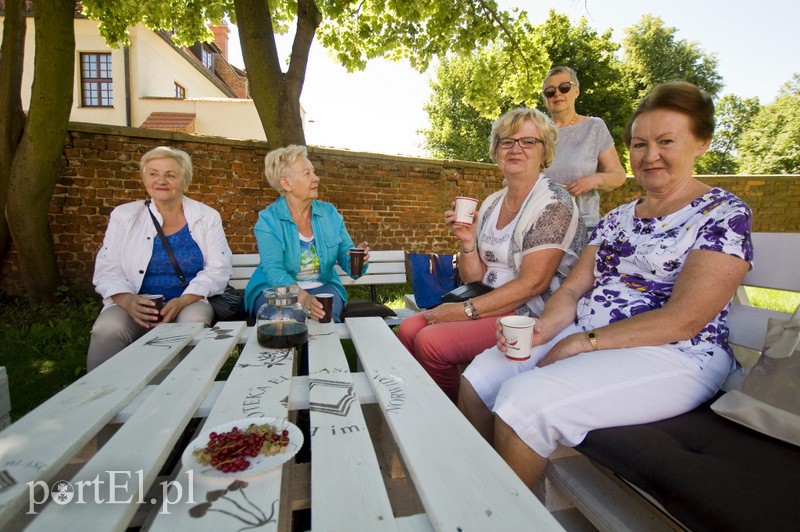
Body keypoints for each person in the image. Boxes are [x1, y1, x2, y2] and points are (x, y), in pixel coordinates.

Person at [458, 81, 754, 490]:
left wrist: (583, 342)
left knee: (524, 403)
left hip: (676, 353)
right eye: (639, 144)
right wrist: (546, 328)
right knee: (479, 378)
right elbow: (571, 289)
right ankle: (481, 485)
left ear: (702, 143)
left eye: (666, 141)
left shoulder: (722, 214)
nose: (649, 155)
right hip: (586, 331)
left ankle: (500, 509)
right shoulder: (618, 218)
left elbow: (684, 320)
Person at [397, 107, 586, 402]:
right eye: (506, 141)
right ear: (496, 151)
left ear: (545, 151)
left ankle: (453, 416)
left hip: (529, 311)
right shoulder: (492, 202)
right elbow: (475, 278)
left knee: (431, 343)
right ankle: (422, 404)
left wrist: (463, 311)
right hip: (488, 299)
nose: (515, 148)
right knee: (408, 328)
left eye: (528, 141)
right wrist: (467, 242)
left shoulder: (553, 203)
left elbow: (533, 284)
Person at [88, 146, 233, 371]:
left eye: (170, 175)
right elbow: (107, 268)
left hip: (187, 301)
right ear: (145, 179)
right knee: (107, 329)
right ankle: (100, 388)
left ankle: (180, 386)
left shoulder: (207, 216)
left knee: (191, 323)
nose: (161, 180)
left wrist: (182, 301)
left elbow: (218, 268)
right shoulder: (124, 216)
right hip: (135, 301)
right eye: (153, 173)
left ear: (186, 182)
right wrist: (128, 301)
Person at [244, 145, 369, 323]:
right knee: (284, 320)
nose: (316, 178)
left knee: (324, 318)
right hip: (276, 289)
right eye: (307, 173)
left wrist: (358, 260)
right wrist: (303, 298)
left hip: (323, 286)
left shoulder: (330, 214)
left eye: (314, 172)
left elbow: (347, 258)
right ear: (286, 184)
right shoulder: (268, 220)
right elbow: (274, 270)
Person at [541, 66, 626, 234]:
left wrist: (592, 181)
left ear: (576, 91)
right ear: (545, 99)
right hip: (540, 225)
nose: (557, 94)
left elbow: (618, 176)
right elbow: (512, 180)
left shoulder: (594, 127)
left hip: (583, 226)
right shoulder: (537, 132)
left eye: (564, 87)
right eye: (550, 91)